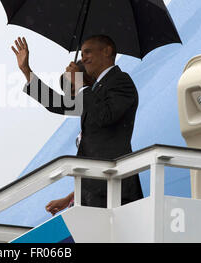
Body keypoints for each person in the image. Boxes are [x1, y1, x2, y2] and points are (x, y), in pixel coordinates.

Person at [11, 35, 143, 215]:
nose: (83, 58)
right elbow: (57, 103)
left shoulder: (120, 81)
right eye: (81, 54)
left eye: (88, 52)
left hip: (116, 190)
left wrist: (80, 84)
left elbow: (104, 116)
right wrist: (26, 70)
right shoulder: (94, 91)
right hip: (94, 192)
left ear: (107, 51)